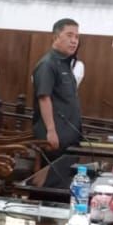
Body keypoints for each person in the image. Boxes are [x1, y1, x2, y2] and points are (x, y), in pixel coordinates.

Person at [32, 18, 84, 190]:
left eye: (77, 36)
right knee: (51, 187)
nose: (74, 40)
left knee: (64, 187)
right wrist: (51, 131)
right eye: (69, 35)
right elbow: (44, 97)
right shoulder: (47, 64)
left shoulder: (66, 63)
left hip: (69, 137)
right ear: (55, 37)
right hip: (55, 138)